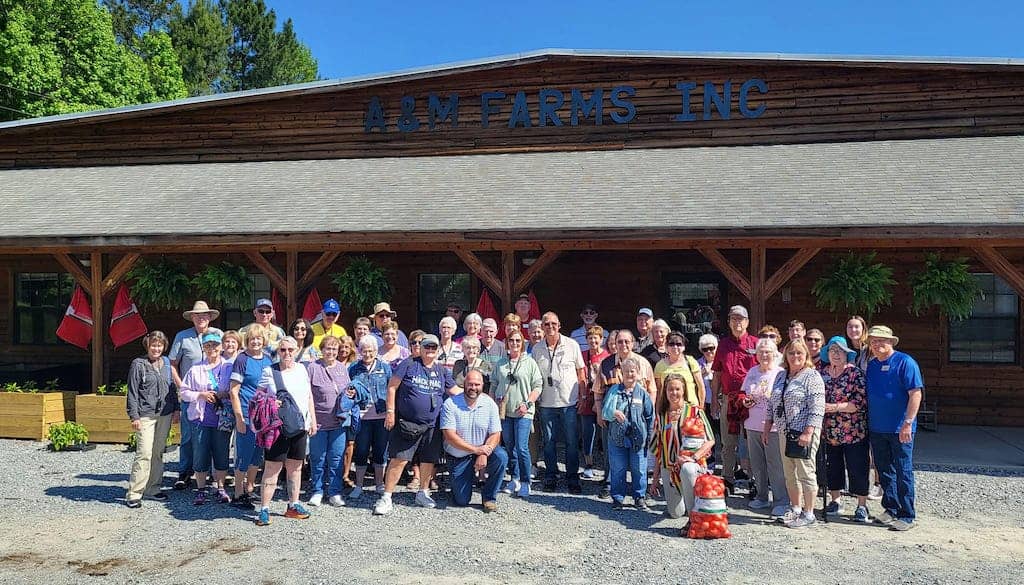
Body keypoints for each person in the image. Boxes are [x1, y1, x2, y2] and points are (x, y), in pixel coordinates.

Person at [374, 334, 458, 515]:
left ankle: (423, 492)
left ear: (437, 350)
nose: (430, 350)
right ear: (420, 347)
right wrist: (390, 412)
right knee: (399, 459)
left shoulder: (442, 371)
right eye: (426, 346)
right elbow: (392, 387)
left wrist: (480, 398)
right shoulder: (409, 364)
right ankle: (387, 496)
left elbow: (455, 392)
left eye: (433, 347)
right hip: (407, 422)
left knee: (428, 459)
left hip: (432, 424)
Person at [255, 336, 318, 526]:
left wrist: (313, 421)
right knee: (272, 468)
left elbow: (308, 396)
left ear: (296, 349)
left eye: (291, 350)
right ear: (278, 352)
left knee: (296, 467)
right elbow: (258, 396)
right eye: (283, 350)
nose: (287, 354)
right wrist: (270, 402)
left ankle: (293, 504)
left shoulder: (302, 369)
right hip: (277, 427)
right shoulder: (269, 371)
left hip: (300, 425)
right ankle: (264, 509)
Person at [865, 326, 923, 532]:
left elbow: (915, 393)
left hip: (900, 428)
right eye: (873, 341)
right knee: (884, 470)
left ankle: (907, 515)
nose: (877, 344)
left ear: (891, 342)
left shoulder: (905, 362)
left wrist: (907, 422)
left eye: (882, 340)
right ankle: (891, 508)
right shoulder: (871, 366)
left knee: (903, 470)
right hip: (877, 427)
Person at [765, 339, 826, 528]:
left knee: (806, 472)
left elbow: (817, 407)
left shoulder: (812, 376)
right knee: (789, 473)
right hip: (785, 431)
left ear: (806, 355)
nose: (795, 356)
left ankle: (809, 513)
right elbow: (772, 403)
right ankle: (796, 508)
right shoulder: (781, 376)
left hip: (803, 432)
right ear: (786, 356)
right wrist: (768, 427)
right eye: (791, 353)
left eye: (799, 353)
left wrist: (808, 432)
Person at [596, 329, 657, 499]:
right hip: (612, 417)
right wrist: (600, 412)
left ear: (633, 343)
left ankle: (639, 493)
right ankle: (610, 485)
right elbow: (598, 391)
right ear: (615, 343)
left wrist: (647, 413)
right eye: (620, 341)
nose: (623, 345)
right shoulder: (606, 363)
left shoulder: (643, 363)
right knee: (613, 455)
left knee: (639, 459)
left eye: (627, 341)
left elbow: (652, 389)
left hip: (638, 419)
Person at [169, 300, 223, 491]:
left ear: (210, 317)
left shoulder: (218, 335)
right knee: (189, 436)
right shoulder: (182, 337)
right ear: (192, 317)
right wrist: (181, 386)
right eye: (197, 315)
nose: (201, 318)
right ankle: (185, 472)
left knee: (214, 435)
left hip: (216, 397)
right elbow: (172, 363)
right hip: (192, 395)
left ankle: (210, 472)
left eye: (205, 315)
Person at [531, 311, 587, 494]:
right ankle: (550, 476)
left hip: (569, 402)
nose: (550, 327)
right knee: (548, 443)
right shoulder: (537, 348)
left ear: (559, 325)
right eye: (546, 324)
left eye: (553, 323)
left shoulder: (572, 345)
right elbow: (534, 376)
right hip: (546, 403)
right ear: (542, 327)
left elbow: (581, 372)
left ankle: (572, 477)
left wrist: (583, 396)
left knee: (571, 442)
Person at [650, 373, 715, 526]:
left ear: (684, 390)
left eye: (677, 389)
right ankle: (688, 502)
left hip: (692, 465)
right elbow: (659, 450)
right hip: (669, 468)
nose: (674, 393)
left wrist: (694, 458)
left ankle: (694, 518)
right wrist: (654, 481)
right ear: (665, 392)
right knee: (675, 513)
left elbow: (711, 440)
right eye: (670, 389)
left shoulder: (695, 412)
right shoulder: (660, 416)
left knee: (687, 470)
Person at [440, 369, 508, 512]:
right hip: (459, 455)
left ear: (483, 385)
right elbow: (449, 436)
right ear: (464, 384)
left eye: (477, 384)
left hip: (483, 450)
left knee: (501, 457)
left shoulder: (489, 404)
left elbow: (496, 433)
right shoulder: (450, 404)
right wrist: (476, 450)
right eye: (470, 384)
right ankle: (460, 484)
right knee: (461, 501)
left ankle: (489, 498)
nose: (473, 388)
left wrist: (483, 453)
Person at [178, 331, 234, 505]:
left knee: (221, 453)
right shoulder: (195, 369)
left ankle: (220, 488)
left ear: (221, 347)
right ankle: (201, 489)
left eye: (215, 345)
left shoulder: (228, 367)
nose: (212, 349)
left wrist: (225, 393)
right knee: (200, 453)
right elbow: (184, 392)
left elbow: (236, 388)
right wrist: (200, 394)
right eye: (208, 346)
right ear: (204, 348)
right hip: (200, 418)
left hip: (222, 418)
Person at [820, 336, 871, 523]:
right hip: (830, 432)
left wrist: (833, 407)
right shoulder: (821, 373)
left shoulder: (855, 374)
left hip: (853, 431)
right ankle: (835, 501)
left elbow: (858, 403)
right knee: (832, 467)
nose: (836, 354)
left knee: (857, 467)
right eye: (832, 350)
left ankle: (862, 505)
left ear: (846, 354)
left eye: (840, 351)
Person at [125, 331, 176, 508]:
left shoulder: (166, 363)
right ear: (147, 346)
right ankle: (134, 493)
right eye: (153, 345)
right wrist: (134, 416)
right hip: (145, 414)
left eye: (160, 345)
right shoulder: (138, 364)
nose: (156, 348)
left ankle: (153, 489)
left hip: (165, 413)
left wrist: (176, 408)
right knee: (144, 453)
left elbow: (171, 387)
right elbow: (132, 392)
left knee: (158, 452)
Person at [711, 305, 758, 490]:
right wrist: (714, 400)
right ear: (729, 322)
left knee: (751, 442)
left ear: (747, 322)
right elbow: (716, 375)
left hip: (751, 401)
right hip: (729, 400)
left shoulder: (755, 343)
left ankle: (755, 481)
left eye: (741, 319)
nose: (737, 322)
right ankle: (727, 479)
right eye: (734, 319)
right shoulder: (723, 345)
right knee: (728, 442)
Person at [740, 338, 789, 515]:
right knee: (757, 464)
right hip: (752, 424)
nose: (764, 354)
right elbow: (745, 394)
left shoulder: (781, 373)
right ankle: (761, 497)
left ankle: (781, 500)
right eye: (761, 351)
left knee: (775, 464)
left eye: (768, 351)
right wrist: (746, 402)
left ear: (775, 354)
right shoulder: (752, 372)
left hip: (774, 427)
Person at [306, 335, 355, 507]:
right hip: (318, 421)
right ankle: (317, 490)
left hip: (338, 422)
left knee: (336, 458)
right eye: (328, 348)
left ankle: (335, 491)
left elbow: (348, 390)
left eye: (334, 349)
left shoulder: (342, 368)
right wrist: (310, 419)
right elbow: (308, 394)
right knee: (318, 458)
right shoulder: (312, 367)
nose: (331, 352)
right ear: (322, 349)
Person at [493, 329, 542, 498]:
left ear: (522, 343)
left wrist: (528, 403)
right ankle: (514, 478)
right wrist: (494, 403)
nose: (514, 344)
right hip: (505, 412)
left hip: (523, 411)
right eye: (511, 340)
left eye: (518, 341)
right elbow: (494, 384)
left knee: (521, 448)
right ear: (507, 343)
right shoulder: (500, 363)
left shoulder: (530, 362)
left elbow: (537, 385)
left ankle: (526, 481)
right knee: (510, 447)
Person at [601, 357, 655, 510]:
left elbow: (650, 416)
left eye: (632, 371)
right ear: (621, 374)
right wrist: (614, 412)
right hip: (617, 438)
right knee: (618, 468)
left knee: (639, 468)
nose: (629, 374)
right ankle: (618, 498)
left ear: (638, 373)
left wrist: (649, 437)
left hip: (638, 439)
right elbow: (605, 411)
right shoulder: (614, 391)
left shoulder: (642, 393)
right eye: (626, 371)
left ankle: (639, 497)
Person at [228, 323, 272, 506]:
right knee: (244, 454)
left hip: (263, 416)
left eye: (259, 338)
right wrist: (239, 417)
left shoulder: (269, 359)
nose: (255, 341)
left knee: (257, 455)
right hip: (246, 413)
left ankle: (250, 487)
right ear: (247, 340)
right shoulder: (242, 359)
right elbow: (233, 391)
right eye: (252, 338)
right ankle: (238, 492)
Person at [348, 336, 393, 499]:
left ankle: (380, 484)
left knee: (381, 451)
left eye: (370, 351)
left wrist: (390, 412)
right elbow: (348, 389)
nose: (367, 354)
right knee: (361, 450)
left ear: (376, 351)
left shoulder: (385, 367)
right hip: (361, 416)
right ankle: (359, 485)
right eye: (364, 350)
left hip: (381, 415)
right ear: (359, 351)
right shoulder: (353, 368)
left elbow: (391, 390)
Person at [579, 326, 609, 480]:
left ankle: (606, 466)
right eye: (590, 338)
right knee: (587, 432)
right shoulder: (582, 355)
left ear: (601, 339)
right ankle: (588, 464)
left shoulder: (607, 356)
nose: (593, 341)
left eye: (596, 338)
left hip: (603, 398)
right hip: (587, 396)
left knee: (604, 433)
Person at [654, 331, 704, 407]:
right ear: (666, 346)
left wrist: (701, 406)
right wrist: (657, 411)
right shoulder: (659, 365)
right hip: (669, 409)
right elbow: (659, 391)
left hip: (691, 407)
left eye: (679, 344)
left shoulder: (691, 362)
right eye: (671, 344)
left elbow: (701, 387)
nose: (675, 347)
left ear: (683, 347)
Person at [697, 333, 721, 465]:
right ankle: (709, 460)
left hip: (720, 402)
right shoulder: (697, 364)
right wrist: (702, 374)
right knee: (707, 432)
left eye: (711, 348)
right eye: (705, 349)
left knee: (722, 433)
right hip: (705, 404)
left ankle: (728, 463)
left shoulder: (721, 362)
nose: (709, 352)